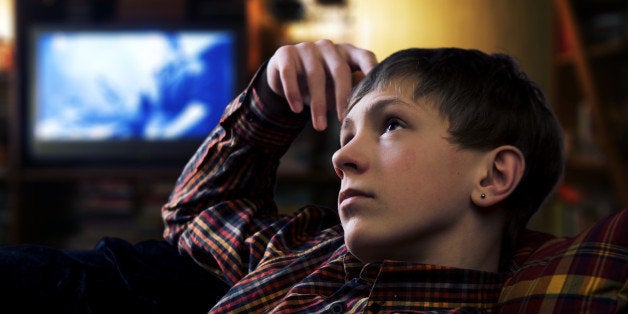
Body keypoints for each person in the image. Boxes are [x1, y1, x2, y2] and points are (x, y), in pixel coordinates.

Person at [0, 40, 565, 313]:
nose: (341, 159)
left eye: (391, 125)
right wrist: (271, 99)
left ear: (493, 176)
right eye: (345, 135)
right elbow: (196, 218)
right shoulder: (302, 248)